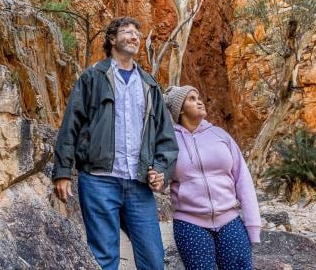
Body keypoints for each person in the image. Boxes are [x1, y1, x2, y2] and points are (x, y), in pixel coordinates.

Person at [52, 16, 179, 270]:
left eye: (137, 35)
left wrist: (161, 171)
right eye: (128, 32)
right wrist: (63, 172)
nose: (134, 37)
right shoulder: (92, 78)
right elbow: (70, 126)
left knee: (153, 259)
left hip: (138, 183)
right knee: (104, 258)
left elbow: (166, 138)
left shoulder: (149, 85)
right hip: (99, 180)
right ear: (112, 39)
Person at [164, 85, 261, 270]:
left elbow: (243, 181)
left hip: (230, 219)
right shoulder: (169, 140)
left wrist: (253, 224)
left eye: (198, 97)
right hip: (189, 223)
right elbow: (160, 179)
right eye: (191, 99)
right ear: (180, 109)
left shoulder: (220, 135)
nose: (199, 101)